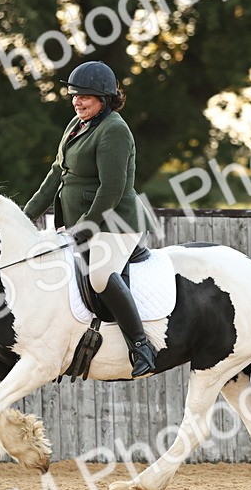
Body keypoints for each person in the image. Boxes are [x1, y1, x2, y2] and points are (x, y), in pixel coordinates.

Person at [23, 61, 157, 378]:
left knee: (99, 277)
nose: (77, 101)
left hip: (116, 222)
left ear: (104, 98)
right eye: (74, 95)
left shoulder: (115, 130)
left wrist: (86, 227)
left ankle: (141, 347)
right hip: (77, 222)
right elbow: (56, 174)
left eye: (84, 96)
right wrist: (25, 216)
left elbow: (111, 189)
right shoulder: (76, 125)